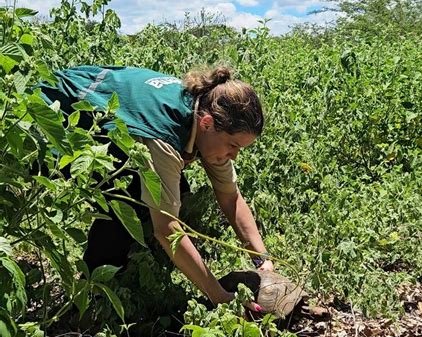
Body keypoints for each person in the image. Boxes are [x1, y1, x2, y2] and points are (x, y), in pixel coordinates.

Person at [40, 65, 273, 312]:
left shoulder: (204, 113)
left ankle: (137, 270)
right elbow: (167, 228)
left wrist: (262, 259)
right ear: (207, 123)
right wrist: (218, 295)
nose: (234, 156)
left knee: (176, 192)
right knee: (128, 201)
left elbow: (231, 198)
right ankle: (95, 293)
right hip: (54, 110)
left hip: (100, 108)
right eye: (232, 146)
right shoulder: (163, 135)